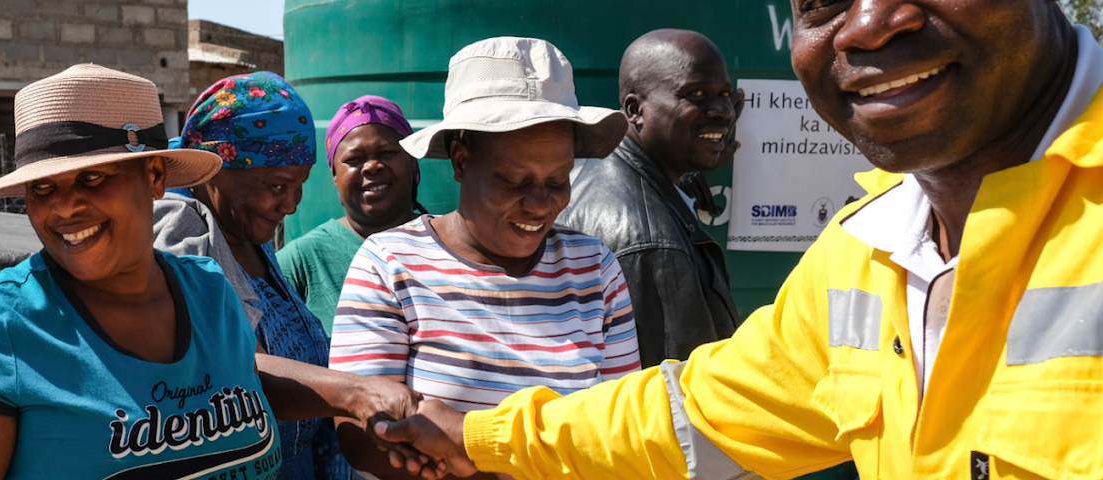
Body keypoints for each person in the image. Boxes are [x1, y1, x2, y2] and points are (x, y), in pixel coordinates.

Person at [374, 1, 1103, 479]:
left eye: (555, 173)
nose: (871, 22)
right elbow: (691, 414)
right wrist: (480, 435)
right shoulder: (868, 247)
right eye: (822, 1)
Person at [0, 64, 415, 480]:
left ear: (156, 173)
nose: (65, 208)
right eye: (43, 188)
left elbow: (246, 379)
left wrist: (354, 394)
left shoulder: (210, 290)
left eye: (92, 178)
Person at [328, 37, 640, 479]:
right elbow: (362, 438)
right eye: (514, 181)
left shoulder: (595, 270)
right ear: (460, 161)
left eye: (558, 181)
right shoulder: (389, 264)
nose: (540, 204)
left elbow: (620, 425)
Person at [152, 71, 354, 480]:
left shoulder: (250, 236)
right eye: (278, 185)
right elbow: (230, 368)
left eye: (300, 186)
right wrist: (355, 393)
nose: (292, 205)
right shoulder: (182, 230)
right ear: (215, 168)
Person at [555, 29, 743, 367]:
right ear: (635, 110)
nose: (725, 111)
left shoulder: (599, 165)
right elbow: (679, 398)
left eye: (725, 94)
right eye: (696, 94)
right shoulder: (651, 244)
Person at [279, 95, 426, 329]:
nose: (372, 166)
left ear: (413, 163)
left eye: (387, 153)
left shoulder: (447, 245)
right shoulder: (300, 262)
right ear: (335, 175)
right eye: (355, 159)